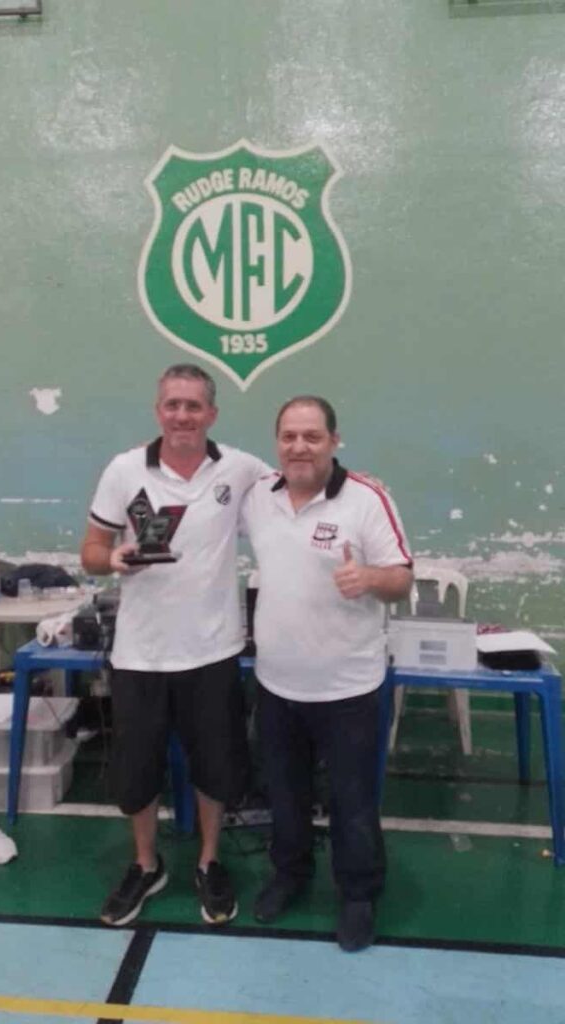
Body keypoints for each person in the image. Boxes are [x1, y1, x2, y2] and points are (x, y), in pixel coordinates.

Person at [80, 364, 269, 927]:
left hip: (213, 651)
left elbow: (301, 491)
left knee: (216, 767)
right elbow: (91, 549)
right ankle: (146, 865)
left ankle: (210, 861)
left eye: (193, 405)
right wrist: (113, 559)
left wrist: (357, 485)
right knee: (137, 771)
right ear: (158, 410)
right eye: (172, 404)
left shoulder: (241, 469)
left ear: (212, 413)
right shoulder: (123, 470)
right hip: (140, 654)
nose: (182, 415)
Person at [241, 396, 413, 952]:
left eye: (312, 436)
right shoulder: (258, 497)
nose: (300, 447)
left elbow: (402, 578)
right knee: (284, 795)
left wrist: (370, 578)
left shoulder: (367, 499)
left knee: (352, 802)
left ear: (334, 441)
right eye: (289, 436)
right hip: (276, 684)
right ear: (277, 442)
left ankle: (358, 894)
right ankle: (290, 875)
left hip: (348, 688)